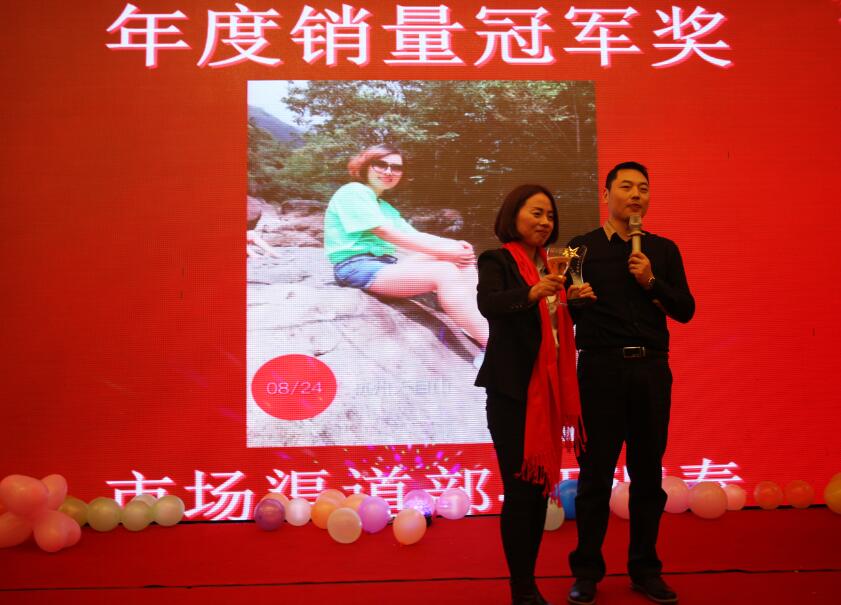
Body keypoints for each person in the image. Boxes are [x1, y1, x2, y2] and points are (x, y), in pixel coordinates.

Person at [565, 162, 695, 605]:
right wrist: (572, 301)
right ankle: (586, 572)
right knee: (595, 475)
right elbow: (564, 313)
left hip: (651, 371)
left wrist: (651, 281)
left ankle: (645, 569)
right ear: (606, 195)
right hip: (599, 371)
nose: (636, 195)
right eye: (626, 187)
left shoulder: (662, 250)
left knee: (647, 474)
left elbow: (685, 309)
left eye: (643, 188)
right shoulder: (580, 249)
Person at [475, 184, 591, 605]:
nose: (545, 222)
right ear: (514, 214)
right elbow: (489, 304)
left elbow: (556, 328)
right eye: (536, 213)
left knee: (539, 493)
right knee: (520, 491)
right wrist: (531, 292)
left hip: (551, 391)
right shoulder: (497, 260)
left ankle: (527, 583)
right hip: (512, 394)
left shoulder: (556, 266)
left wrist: (577, 301)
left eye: (550, 216)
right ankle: (522, 587)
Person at [324, 144, 488, 359]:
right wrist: (446, 254)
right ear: (365, 166)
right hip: (356, 267)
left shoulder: (384, 206)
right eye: (381, 165)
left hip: (385, 265)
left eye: (396, 167)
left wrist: (454, 245)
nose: (389, 171)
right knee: (444, 271)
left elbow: (413, 235)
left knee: (460, 256)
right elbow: (383, 232)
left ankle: (477, 322)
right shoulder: (354, 191)